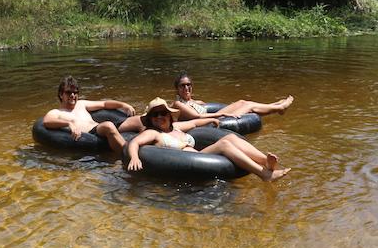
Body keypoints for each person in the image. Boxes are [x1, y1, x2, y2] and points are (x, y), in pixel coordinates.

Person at [127, 98, 291, 182]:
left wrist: (216, 118)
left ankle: (265, 162)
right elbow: (135, 142)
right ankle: (264, 175)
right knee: (225, 144)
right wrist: (134, 157)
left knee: (230, 136)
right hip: (186, 160)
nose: (159, 117)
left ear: (169, 115)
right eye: (155, 115)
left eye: (162, 113)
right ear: (150, 119)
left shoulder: (176, 127)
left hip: (198, 155)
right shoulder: (154, 133)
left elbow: (195, 122)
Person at [42, 75, 135, 152]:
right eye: (68, 92)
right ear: (61, 94)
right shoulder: (57, 112)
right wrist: (69, 123)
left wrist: (124, 105)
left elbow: (104, 104)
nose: (72, 95)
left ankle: (147, 145)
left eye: (75, 92)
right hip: (91, 135)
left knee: (137, 121)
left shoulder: (82, 104)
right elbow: (47, 121)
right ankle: (128, 154)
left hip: (99, 128)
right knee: (108, 126)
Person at [172, 72, 293, 121]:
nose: (186, 88)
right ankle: (279, 108)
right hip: (206, 125)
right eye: (182, 86)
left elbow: (205, 108)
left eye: (189, 85)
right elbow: (198, 116)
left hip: (211, 119)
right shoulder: (178, 104)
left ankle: (274, 105)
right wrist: (224, 114)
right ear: (177, 89)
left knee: (242, 102)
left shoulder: (195, 101)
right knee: (248, 107)